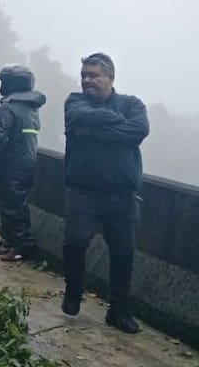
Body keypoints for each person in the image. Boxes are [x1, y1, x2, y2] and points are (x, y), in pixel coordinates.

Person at [61, 53, 149, 333]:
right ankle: (74, 292)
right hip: (83, 192)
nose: (86, 80)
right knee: (75, 242)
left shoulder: (132, 104)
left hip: (122, 195)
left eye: (94, 75)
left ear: (110, 77)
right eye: (84, 74)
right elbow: (78, 116)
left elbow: (139, 129)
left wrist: (94, 130)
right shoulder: (75, 101)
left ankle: (119, 310)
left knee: (123, 253)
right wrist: (114, 123)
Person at [0, 64, 45, 262]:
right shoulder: (31, 110)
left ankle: (21, 245)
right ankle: (11, 242)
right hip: (27, 163)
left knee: (12, 206)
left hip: (9, 165)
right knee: (16, 204)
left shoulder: (7, 109)